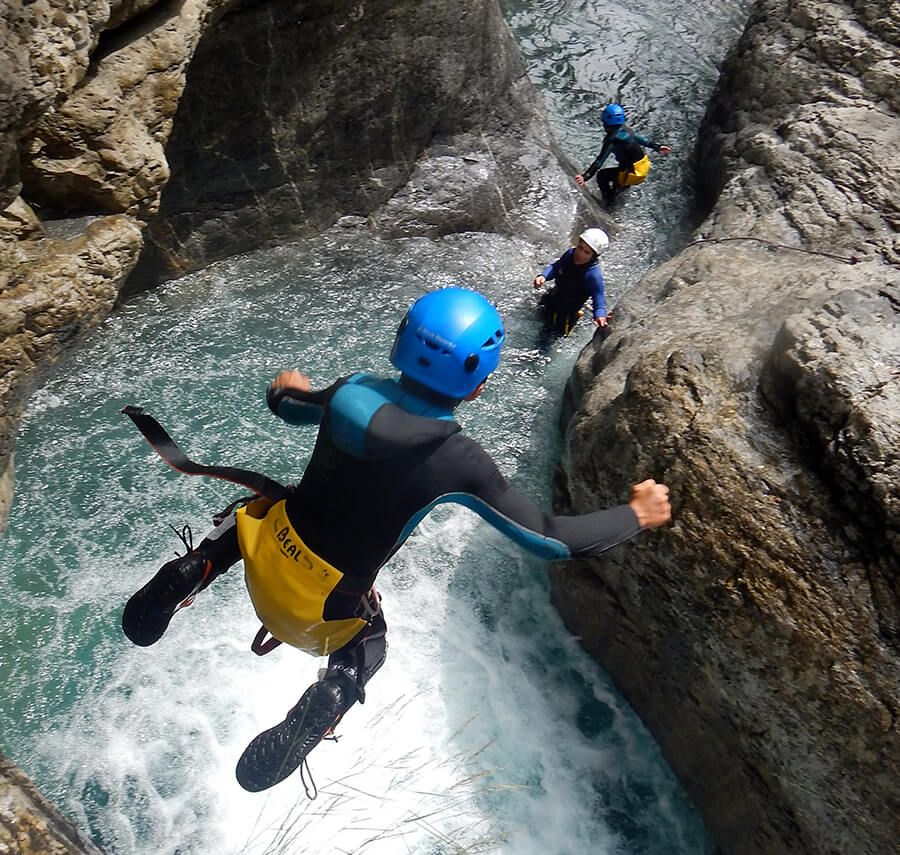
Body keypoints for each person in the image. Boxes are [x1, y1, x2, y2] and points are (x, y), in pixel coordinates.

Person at [121, 287, 672, 794]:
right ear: (479, 383)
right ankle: (329, 698)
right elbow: (550, 540)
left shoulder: (350, 391)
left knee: (258, 507)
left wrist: (287, 389)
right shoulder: (458, 460)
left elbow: (284, 406)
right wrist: (635, 514)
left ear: (401, 341)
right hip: (318, 609)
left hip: (260, 552)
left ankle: (194, 568)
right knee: (372, 644)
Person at [575, 104, 672, 207]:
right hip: (642, 168)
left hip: (632, 173)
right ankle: (618, 194)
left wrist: (584, 177)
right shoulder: (626, 130)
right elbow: (643, 141)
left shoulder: (612, 140)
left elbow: (599, 161)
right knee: (620, 180)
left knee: (602, 175)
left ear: (606, 120)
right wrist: (658, 147)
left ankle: (608, 202)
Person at [534, 228, 610, 336]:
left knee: (547, 337)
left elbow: (598, 299)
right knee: (538, 317)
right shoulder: (570, 254)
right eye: (580, 247)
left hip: (566, 314)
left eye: (587, 252)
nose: (580, 254)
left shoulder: (593, 275)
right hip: (552, 298)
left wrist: (600, 316)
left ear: (594, 257)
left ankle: (578, 316)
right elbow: (556, 267)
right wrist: (543, 276)